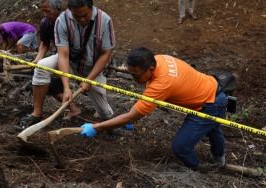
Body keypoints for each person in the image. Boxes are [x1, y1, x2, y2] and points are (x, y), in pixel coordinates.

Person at [80, 47, 227, 171]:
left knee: (180, 147)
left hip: (209, 104)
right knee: (213, 128)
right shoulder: (158, 59)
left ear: (150, 69)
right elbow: (136, 107)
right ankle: (219, 160)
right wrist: (127, 116)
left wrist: (97, 127)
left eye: (136, 75)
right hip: (211, 87)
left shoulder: (161, 84)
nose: (133, 79)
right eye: (130, 73)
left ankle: (198, 170)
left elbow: (133, 116)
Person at [20, 0, 115, 128]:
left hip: (92, 66)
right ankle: (36, 113)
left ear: (92, 8)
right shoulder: (62, 20)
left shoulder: (104, 20)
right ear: (70, 11)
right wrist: (66, 88)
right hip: (69, 61)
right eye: (77, 16)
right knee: (41, 66)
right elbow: (63, 55)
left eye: (85, 15)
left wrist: (89, 80)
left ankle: (106, 118)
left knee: (106, 114)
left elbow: (105, 54)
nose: (81, 19)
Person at [19, 0, 81, 127]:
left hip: (79, 56)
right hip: (60, 56)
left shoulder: (72, 20)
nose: (46, 14)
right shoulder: (46, 23)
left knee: (94, 91)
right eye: (44, 11)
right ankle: (40, 112)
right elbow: (44, 43)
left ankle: (101, 112)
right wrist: (37, 59)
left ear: (59, 9)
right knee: (47, 83)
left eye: (48, 11)